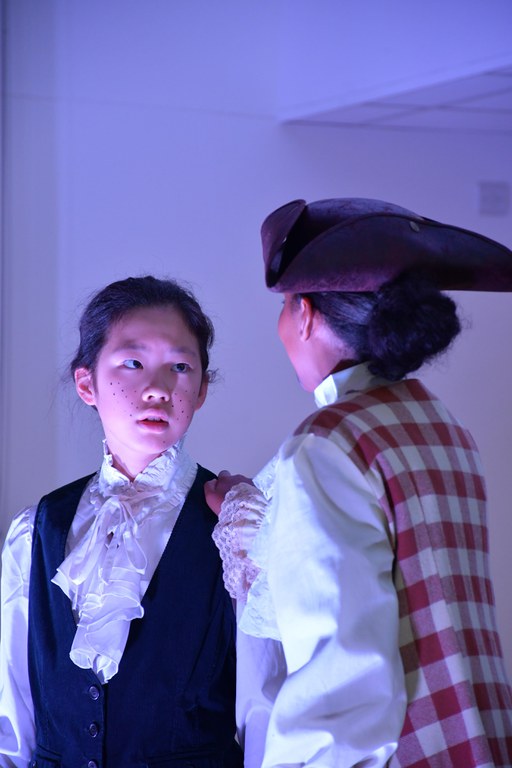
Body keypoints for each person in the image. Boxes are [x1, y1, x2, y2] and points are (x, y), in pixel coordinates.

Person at [205, 199, 512, 768]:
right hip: (483, 740)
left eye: (282, 308)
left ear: (303, 313)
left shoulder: (327, 442)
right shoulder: (442, 426)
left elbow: (341, 680)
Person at [0, 275, 243, 768]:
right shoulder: (36, 531)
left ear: (201, 390)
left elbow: (266, 715)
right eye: (132, 363)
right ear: (87, 383)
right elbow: (13, 722)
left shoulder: (235, 528)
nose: (157, 389)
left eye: (180, 367)